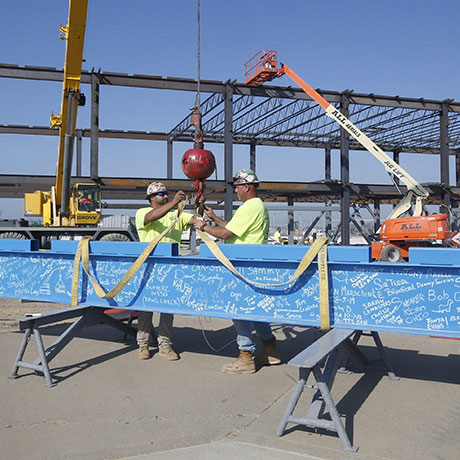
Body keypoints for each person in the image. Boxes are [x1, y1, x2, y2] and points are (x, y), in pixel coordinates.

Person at [194, 168, 281, 374]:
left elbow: (225, 233)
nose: (236, 191)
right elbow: (234, 229)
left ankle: (245, 356)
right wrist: (213, 217)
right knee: (255, 309)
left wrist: (202, 227)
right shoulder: (258, 206)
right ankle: (270, 350)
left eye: (238, 187)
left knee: (239, 309)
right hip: (253, 263)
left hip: (243, 265)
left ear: (247, 187)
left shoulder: (249, 207)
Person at [136, 181, 198, 361]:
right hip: (149, 267)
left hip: (169, 269)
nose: (165, 196)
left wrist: (199, 207)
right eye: (161, 194)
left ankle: (165, 345)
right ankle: (143, 344)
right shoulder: (142, 213)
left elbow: (193, 219)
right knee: (145, 307)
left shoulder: (176, 215)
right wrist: (174, 203)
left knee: (166, 308)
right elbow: (152, 217)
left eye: (166, 193)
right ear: (151, 198)